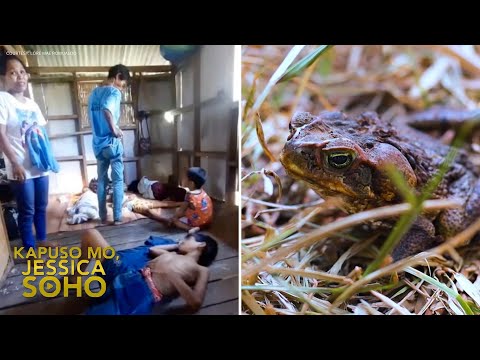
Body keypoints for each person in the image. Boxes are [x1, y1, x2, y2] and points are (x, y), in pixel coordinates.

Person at [71, 228, 218, 315]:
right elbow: (153, 249)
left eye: (188, 238)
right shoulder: (174, 255)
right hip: (131, 277)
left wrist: (173, 277)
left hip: (142, 293)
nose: (183, 240)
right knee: (99, 302)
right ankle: (77, 282)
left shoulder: (201, 269)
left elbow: (196, 302)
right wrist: (178, 245)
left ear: (201, 245)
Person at [0, 53, 57, 249]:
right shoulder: (3, 100)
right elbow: (1, 135)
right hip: (20, 167)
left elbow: (41, 133)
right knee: (27, 210)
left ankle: (41, 240)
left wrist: (49, 158)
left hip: (39, 164)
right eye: (13, 73)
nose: (20, 77)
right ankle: (30, 249)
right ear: (3, 78)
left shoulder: (32, 104)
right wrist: (14, 163)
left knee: (41, 207)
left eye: (22, 72)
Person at [88, 64, 130, 226]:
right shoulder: (113, 91)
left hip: (97, 145)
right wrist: (115, 130)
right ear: (118, 76)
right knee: (118, 180)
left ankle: (103, 215)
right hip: (111, 144)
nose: (122, 87)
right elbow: (107, 109)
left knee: (102, 180)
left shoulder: (93, 94)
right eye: (123, 83)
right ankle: (118, 217)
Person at [135, 167, 213, 231]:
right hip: (205, 221)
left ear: (191, 183)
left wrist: (174, 218)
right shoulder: (203, 193)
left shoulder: (189, 195)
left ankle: (190, 228)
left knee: (174, 221)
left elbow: (180, 211)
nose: (183, 178)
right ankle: (199, 227)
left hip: (195, 222)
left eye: (185, 178)